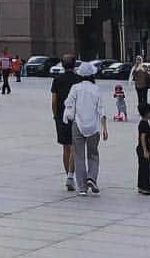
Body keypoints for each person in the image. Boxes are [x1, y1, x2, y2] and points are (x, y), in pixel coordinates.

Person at [63, 61, 108, 195]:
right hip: (93, 126)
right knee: (93, 154)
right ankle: (92, 178)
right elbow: (101, 110)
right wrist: (105, 128)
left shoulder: (75, 88)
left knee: (79, 156)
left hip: (78, 124)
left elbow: (68, 102)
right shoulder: (96, 89)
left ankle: (82, 187)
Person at [51, 53, 81, 191]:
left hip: (61, 116)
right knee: (75, 146)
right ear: (74, 64)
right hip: (76, 116)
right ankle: (70, 175)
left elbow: (54, 101)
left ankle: (68, 177)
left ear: (62, 65)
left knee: (65, 147)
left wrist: (55, 115)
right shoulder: (79, 80)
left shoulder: (57, 80)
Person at [137, 102, 150, 195]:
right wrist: (145, 151)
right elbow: (142, 137)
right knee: (145, 169)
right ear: (147, 113)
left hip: (143, 149)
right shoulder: (144, 124)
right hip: (143, 149)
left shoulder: (144, 123)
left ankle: (140, 186)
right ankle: (145, 188)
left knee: (142, 168)